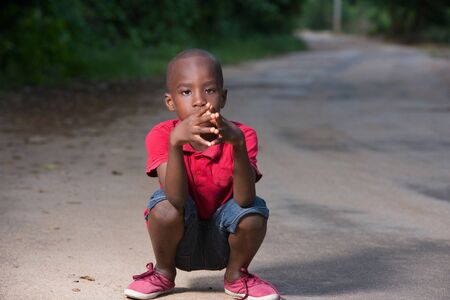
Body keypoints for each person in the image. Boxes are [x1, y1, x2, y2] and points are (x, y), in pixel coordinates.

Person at [124, 49, 280, 300]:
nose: (199, 101)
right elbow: (175, 199)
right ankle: (163, 273)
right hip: (181, 240)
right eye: (186, 92)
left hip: (226, 240)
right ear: (170, 102)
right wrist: (175, 143)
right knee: (162, 206)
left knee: (254, 213)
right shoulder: (162, 135)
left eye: (209, 90)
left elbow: (244, 200)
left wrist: (237, 145)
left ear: (223, 97)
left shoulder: (243, 135)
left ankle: (236, 277)